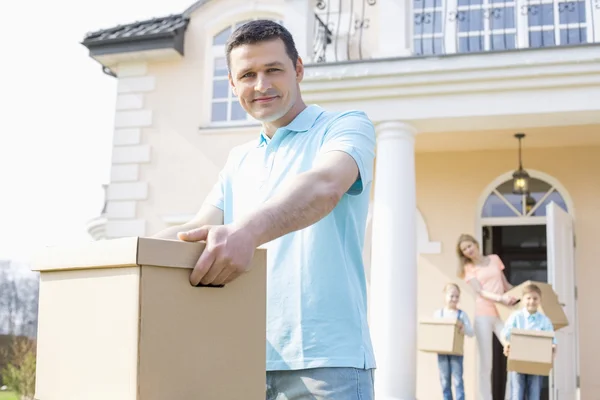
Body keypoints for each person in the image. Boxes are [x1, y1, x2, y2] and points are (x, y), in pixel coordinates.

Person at [152, 20, 376, 400]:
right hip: (242, 359)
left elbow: (324, 185)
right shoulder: (239, 159)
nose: (262, 85)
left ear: (298, 69)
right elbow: (196, 229)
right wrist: (118, 258)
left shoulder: (345, 126)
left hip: (327, 365)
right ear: (233, 84)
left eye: (273, 70)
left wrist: (248, 232)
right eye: (248, 75)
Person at [456, 233, 517, 400]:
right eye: (464, 249)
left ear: (476, 244)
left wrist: (521, 294)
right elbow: (480, 291)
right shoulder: (469, 269)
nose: (468, 250)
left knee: (514, 351)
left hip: (502, 314)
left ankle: (512, 396)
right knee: (485, 362)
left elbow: (505, 284)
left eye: (469, 246)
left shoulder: (494, 259)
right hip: (483, 315)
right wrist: (501, 298)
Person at [502, 283, 556, 400]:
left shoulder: (544, 321)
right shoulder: (516, 316)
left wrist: (552, 350)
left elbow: (552, 340)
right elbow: (506, 333)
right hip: (517, 361)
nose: (532, 301)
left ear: (540, 300)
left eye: (535, 298)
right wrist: (507, 343)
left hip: (536, 362)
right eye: (528, 298)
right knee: (517, 393)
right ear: (522, 300)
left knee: (534, 393)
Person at [433, 283, 474, 400]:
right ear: (445, 296)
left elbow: (471, 332)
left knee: (457, 380)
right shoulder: (438, 314)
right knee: (444, 380)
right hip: (442, 351)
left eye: (457, 296)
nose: (454, 299)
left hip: (456, 352)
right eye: (451, 296)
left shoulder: (462, 315)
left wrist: (463, 328)